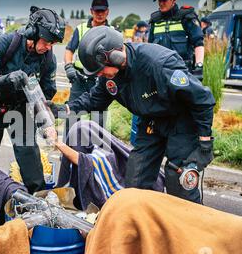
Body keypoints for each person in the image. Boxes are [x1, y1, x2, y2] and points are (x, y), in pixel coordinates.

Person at [48, 26, 215, 204]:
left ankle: (194, 228)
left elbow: (202, 99)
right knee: (135, 180)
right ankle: (142, 225)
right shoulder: (109, 77)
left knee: (178, 181)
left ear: (115, 56)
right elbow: (94, 100)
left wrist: (205, 142)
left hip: (181, 122)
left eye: (100, 69)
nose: (99, 75)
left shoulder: (159, 63)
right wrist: (64, 109)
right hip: (151, 123)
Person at [0, 6, 65, 194]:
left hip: (21, 111)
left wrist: (44, 110)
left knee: (31, 164)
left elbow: (48, 90)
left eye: (53, 44)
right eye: (47, 41)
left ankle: (38, 202)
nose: (49, 47)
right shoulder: (5, 43)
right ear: (33, 32)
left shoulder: (48, 58)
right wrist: (4, 80)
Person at [64, 0, 111, 135]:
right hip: (79, 79)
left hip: (100, 81)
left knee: (98, 119)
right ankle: (68, 151)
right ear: (91, 11)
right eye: (97, 11)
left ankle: (96, 153)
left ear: (107, 11)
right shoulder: (81, 28)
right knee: (72, 116)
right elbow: (69, 50)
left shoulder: (112, 31)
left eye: (103, 11)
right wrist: (68, 67)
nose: (100, 14)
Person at [148, 0, 204, 80]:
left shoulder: (186, 17)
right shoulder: (155, 20)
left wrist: (199, 66)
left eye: (164, 0)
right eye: (159, 0)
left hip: (182, 71)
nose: (161, 3)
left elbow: (198, 43)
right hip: (159, 72)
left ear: (173, 0)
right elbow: (149, 48)